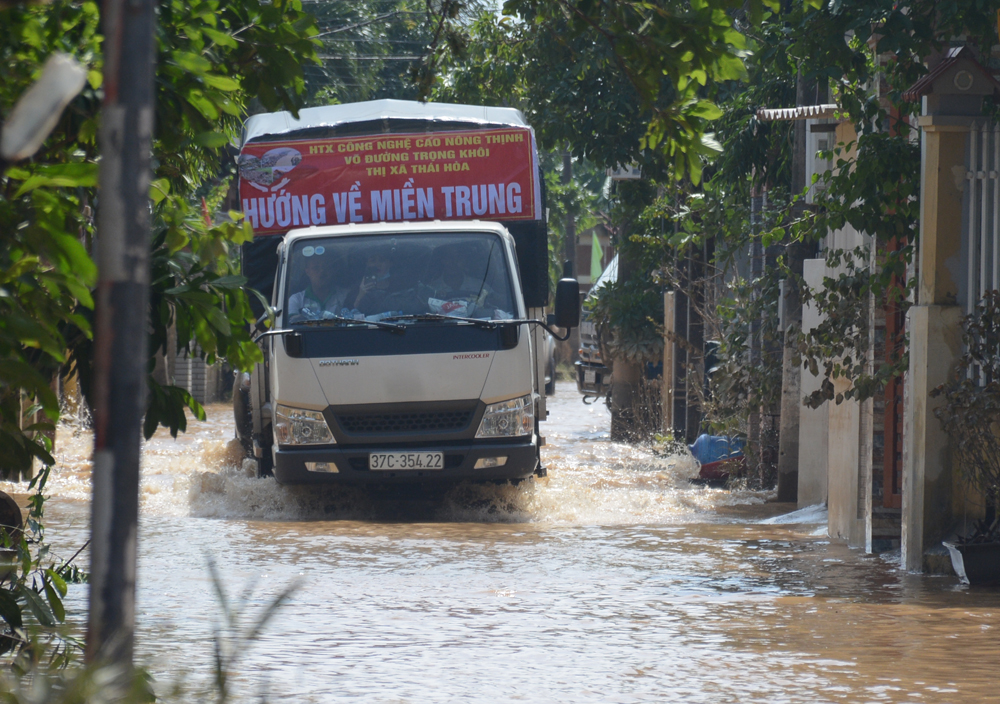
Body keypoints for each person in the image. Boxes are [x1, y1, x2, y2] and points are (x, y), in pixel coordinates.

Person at [287, 251, 351, 320]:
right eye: (316, 268)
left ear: (332, 270)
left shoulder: (346, 295)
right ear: (307, 272)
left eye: (326, 267)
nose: (322, 271)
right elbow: (292, 322)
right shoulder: (296, 299)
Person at [352, 249, 394, 314]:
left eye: (381, 260)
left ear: (390, 263)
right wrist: (360, 297)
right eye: (373, 261)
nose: (377, 264)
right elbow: (347, 315)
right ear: (367, 264)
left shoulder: (398, 286)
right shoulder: (356, 288)